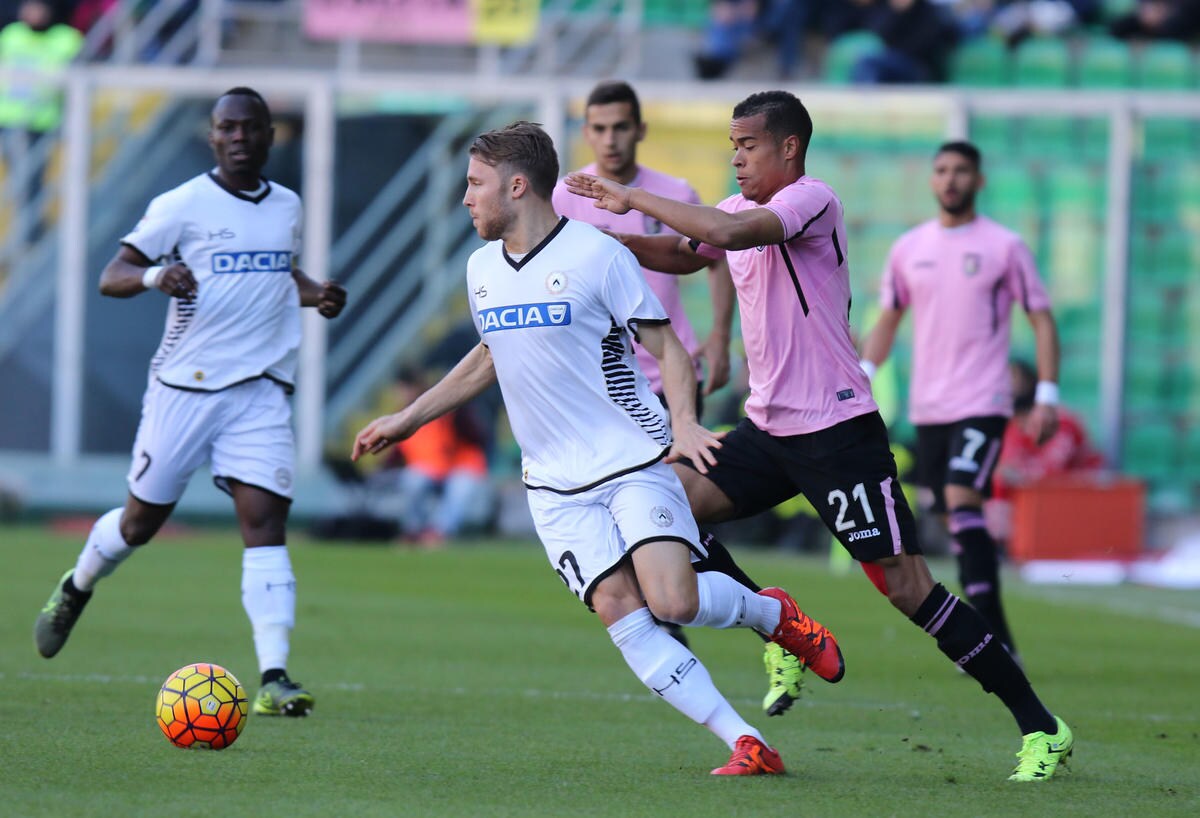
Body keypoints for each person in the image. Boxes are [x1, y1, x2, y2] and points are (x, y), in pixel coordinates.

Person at [564, 90, 1073, 782]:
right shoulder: (733, 209)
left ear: (789, 148)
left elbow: (730, 234)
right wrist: (614, 243)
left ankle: (1042, 728)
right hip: (767, 430)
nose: (736, 158)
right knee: (665, 502)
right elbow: (688, 253)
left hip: (837, 435)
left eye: (748, 145)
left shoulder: (811, 200)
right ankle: (776, 621)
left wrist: (630, 198)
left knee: (908, 588)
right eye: (733, 146)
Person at [353, 121, 844, 776]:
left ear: (517, 186)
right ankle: (745, 742)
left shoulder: (596, 254)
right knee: (619, 608)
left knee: (673, 601)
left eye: (475, 184)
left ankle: (772, 612)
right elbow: (491, 354)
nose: (466, 198)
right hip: (551, 483)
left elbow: (667, 346)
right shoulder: (480, 270)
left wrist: (684, 422)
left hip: (630, 459)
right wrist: (408, 418)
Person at [33, 87, 347, 719]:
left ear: (270, 135)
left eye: (250, 127)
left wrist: (317, 293)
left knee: (265, 523)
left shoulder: (286, 205)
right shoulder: (181, 205)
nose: (239, 137)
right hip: (185, 389)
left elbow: (275, 274)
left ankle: (275, 676)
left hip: (259, 390)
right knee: (138, 525)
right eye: (227, 128)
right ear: (212, 137)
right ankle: (78, 583)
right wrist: (156, 275)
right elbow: (112, 275)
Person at [552, 79, 747, 655]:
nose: (610, 139)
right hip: (600, 388)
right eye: (599, 128)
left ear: (639, 129)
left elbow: (715, 259)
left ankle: (757, 617)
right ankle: (693, 619)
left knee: (673, 512)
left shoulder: (672, 193)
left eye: (620, 126)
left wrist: (719, 335)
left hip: (668, 377)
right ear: (587, 133)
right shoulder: (564, 197)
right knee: (634, 519)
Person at [860, 140, 1060, 664]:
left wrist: (1046, 394)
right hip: (930, 407)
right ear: (932, 180)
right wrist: (864, 376)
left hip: (983, 400)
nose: (951, 179)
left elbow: (1041, 318)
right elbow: (889, 318)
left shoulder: (1004, 246)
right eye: (942, 170)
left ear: (979, 180)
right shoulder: (909, 248)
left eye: (961, 171)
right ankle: (996, 636)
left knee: (961, 497)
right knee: (951, 515)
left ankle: (995, 641)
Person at [988, 359, 1104, 544]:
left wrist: (1011, 473)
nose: (1007, 386)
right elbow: (1007, 466)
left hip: (1078, 493)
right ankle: (998, 542)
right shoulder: (1012, 425)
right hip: (1039, 499)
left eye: (1013, 379)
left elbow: (1052, 470)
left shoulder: (1060, 421)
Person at [374, 366, 492, 547]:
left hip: (461, 466)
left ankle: (438, 532)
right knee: (413, 479)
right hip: (432, 469)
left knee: (460, 487)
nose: (401, 394)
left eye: (404, 388)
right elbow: (399, 452)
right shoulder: (404, 415)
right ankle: (413, 531)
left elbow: (478, 437)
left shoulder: (448, 409)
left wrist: (458, 414)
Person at [0, 0, 83, 245]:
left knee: (32, 182)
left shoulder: (67, 39)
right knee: (17, 182)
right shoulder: (11, 34)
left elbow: (78, 84)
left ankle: (31, 237)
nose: (32, 13)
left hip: (40, 123)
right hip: (8, 119)